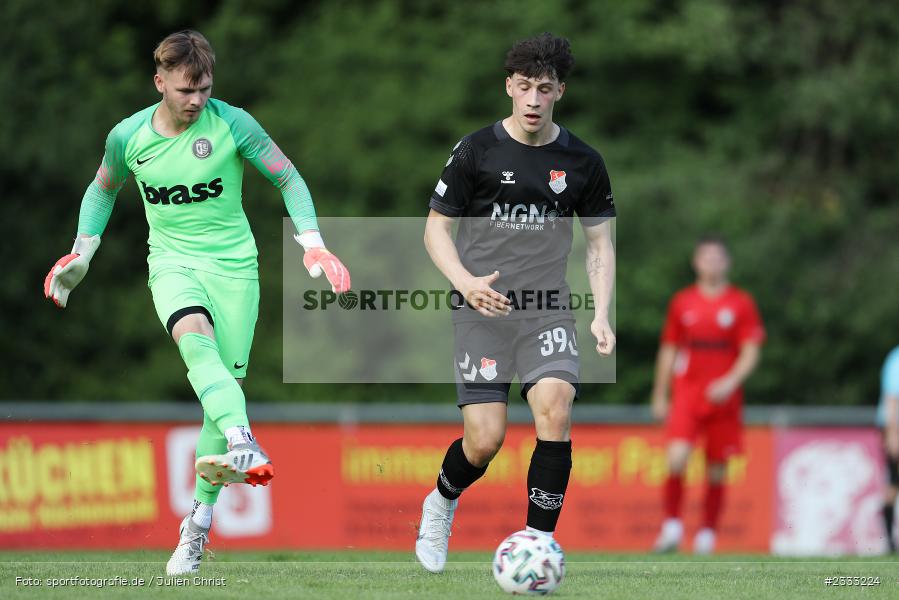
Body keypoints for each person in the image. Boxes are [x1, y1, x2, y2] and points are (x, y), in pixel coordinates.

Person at [42, 30, 351, 575]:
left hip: (237, 274)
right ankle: (242, 438)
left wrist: (314, 245)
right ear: (159, 82)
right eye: (186, 89)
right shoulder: (128, 136)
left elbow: (289, 178)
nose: (196, 100)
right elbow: (103, 189)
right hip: (171, 266)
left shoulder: (234, 124)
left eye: (204, 88)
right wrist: (80, 254)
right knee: (195, 344)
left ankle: (197, 526)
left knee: (221, 392)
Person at [416, 32, 616, 573]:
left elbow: (599, 243)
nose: (532, 99)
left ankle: (537, 547)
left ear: (559, 93)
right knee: (484, 440)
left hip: (548, 307)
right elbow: (436, 231)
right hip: (482, 310)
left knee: (555, 407)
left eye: (544, 89)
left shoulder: (583, 162)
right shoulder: (475, 150)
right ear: (509, 86)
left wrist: (600, 313)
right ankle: (441, 502)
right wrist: (464, 281)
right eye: (524, 86)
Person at [650, 237, 764, 554]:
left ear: (726, 262)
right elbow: (669, 349)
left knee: (716, 467)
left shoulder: (740, 303)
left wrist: (731, 381)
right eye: (706, 257)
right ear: (696, 262)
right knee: (676, 458)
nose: (712, 263)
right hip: (687, 392)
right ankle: (671, 528)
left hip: (724, 397)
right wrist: (660, 393)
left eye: (718, 257)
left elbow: (751, 351)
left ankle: (707, 536)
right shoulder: (682, 302)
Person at [877, 345, 899, 553]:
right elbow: (891, 399)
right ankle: (890, 543)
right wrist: (893, 434)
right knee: (893, 484)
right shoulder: (896, 359)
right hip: (895, 428)